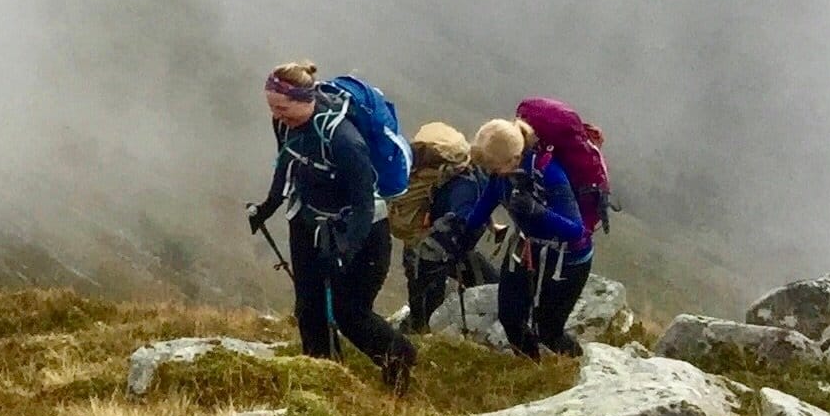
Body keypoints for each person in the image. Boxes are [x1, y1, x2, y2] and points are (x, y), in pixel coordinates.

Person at [248, 61, 416, 393]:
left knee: (349, 311)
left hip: (360, 229)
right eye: (272, 108)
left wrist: (345, 249)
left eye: (282, 108)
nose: (278, 115)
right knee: (308, 308)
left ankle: (399, 358)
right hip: (307, 221)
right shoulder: (285, 124)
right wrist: (267, 206)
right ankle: (322, 378)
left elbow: (365, 204)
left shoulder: (344, 139)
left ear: (304, 99)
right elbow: (287, 161)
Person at [471, 116, 593, 357]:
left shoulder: (550, 173)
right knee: (510, 317)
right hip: (528, 248)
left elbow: (576, 230)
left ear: (514, 158)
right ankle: (530, 366)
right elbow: (485, 203)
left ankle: (579, 367)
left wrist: (538, 212)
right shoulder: (502, 175)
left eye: (494, 168)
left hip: (567, 260)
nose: (491, 173)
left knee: (548, 330)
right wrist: (460, 235)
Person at [393, 121, 504, 332]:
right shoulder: (472, 183)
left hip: (431, 245)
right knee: (426, 316)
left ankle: (417, 331)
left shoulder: (470, 176)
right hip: (432, 250)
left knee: (425, 309)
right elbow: (459, 221)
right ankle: (416, 340)